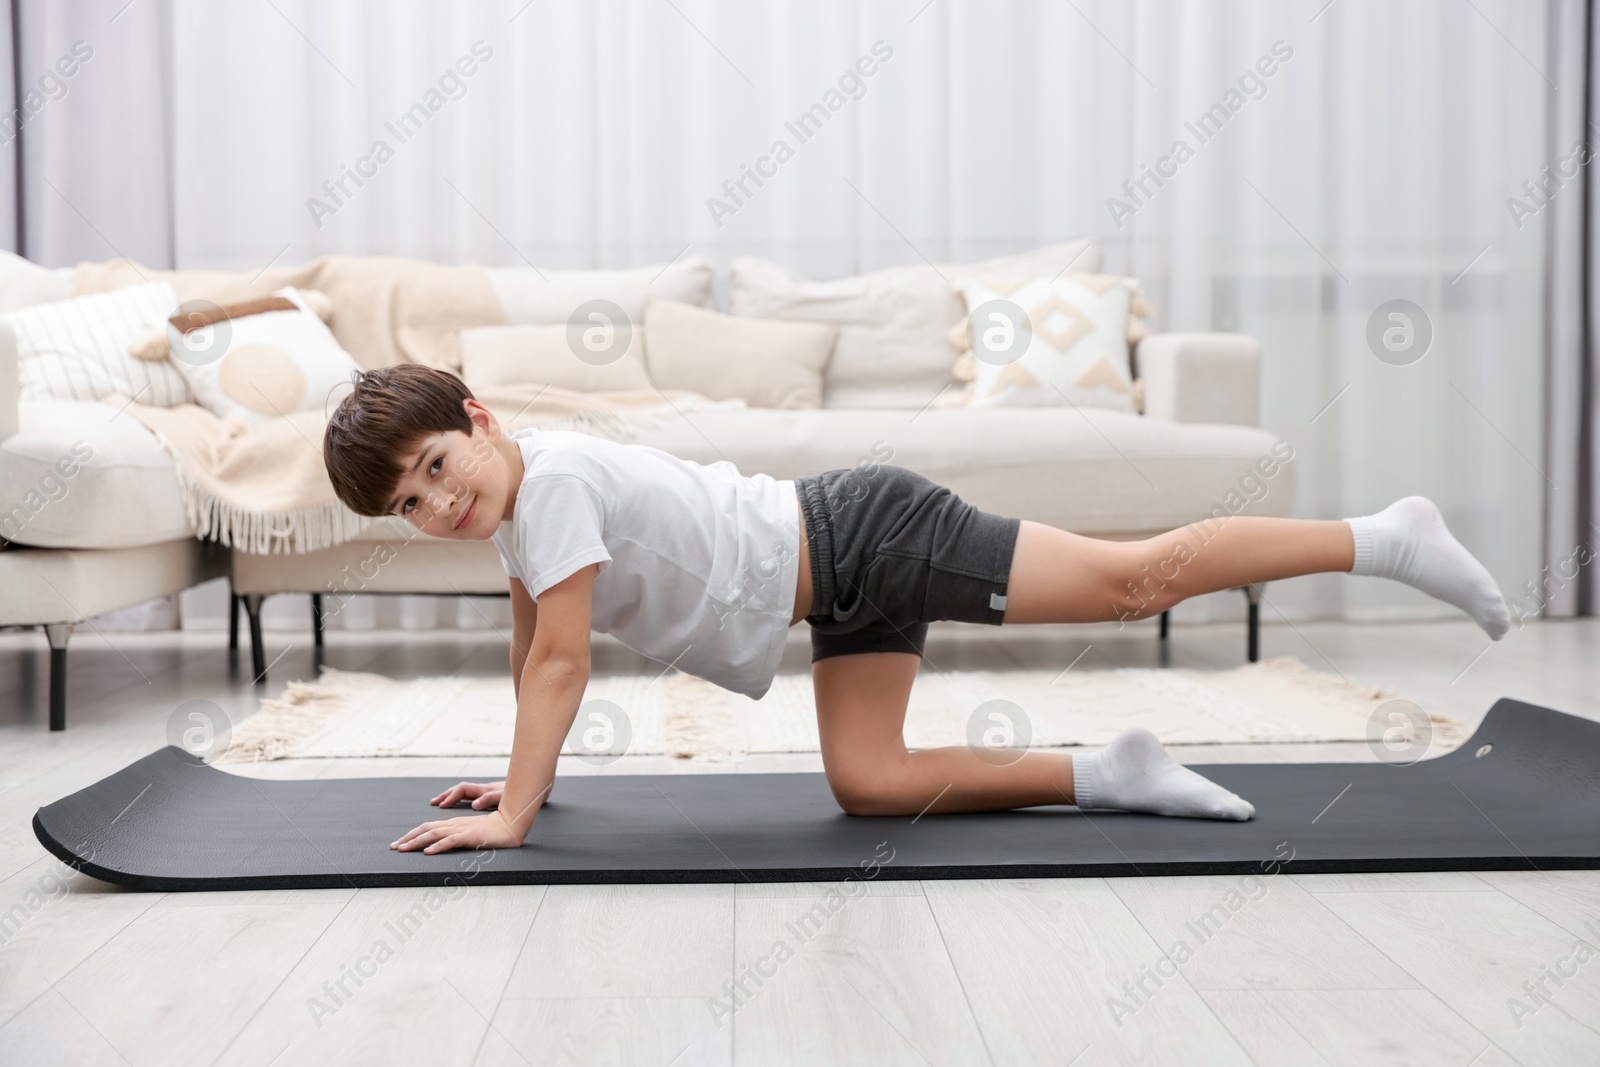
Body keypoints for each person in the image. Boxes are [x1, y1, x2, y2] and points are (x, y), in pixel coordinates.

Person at [320, 365, 1511, 855]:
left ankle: (1384, 535)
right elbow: (531, 640)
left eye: (434, 463)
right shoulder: (523, 517)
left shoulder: (558, 477)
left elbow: (563, 665)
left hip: (866, 533)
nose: (436, 500)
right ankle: (1114, 771)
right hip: (834, 580)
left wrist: (518, 814)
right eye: (409, 503)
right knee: (872, 783)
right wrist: (508, 771)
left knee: (1130, 581)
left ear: (476, 417)